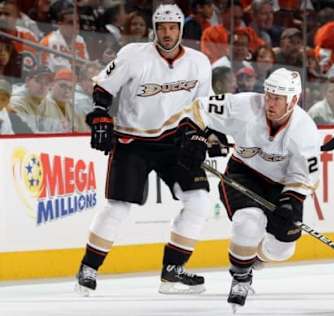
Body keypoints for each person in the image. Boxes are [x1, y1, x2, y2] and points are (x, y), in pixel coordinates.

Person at [74, 3, 212, 296]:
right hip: (131, 141)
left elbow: (203, 107)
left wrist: (202, 137)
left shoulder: (199, 62)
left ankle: (172, 272)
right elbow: (103, 87)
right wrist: (101, 113)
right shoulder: (133, 55)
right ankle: (88, 268)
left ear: (180, 29)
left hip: (174, 141)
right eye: (161, 27)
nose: (166, 33)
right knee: (118, 207)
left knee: (198, 200)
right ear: (154, 28)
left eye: (172, 27)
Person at [169, 68, 321, 310]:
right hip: (243, 173)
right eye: (268, 95)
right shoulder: (244, 106)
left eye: (278, 98)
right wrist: (195, 138)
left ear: (293, 100)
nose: (270, 102)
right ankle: (240, 277)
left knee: (282, 250)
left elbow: (303, 177)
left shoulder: (305, 131)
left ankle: (254, 259)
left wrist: (290, 201)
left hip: (281, 186)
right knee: (248, 222)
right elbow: (198, 109)